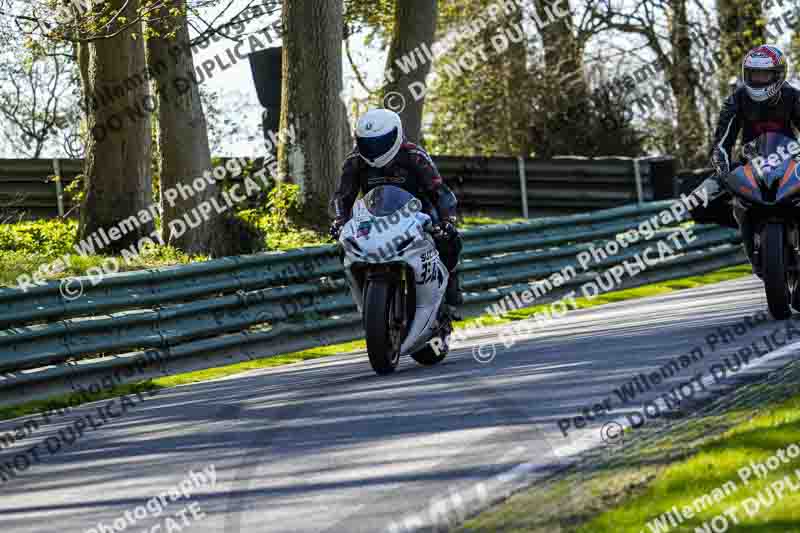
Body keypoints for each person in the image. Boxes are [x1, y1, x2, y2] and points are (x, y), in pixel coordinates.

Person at [329, 108, 463, 308]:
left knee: (449, 239)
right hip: (375, 219)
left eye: (380, 142)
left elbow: (439, 191)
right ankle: (363, 291)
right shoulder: (355, 160)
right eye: (368, 143)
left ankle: (451, 283)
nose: (374, 149)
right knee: (345, 245)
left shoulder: (414, 155)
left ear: (397, 134)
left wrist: (447, 221)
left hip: (418, 215)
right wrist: (340, 221)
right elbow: (343, 196)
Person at [695, 44, 800, 269]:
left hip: (790, 159)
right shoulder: (736, 100)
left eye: (765, 74)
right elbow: (721, 143)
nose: (759, 79)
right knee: (710, 199)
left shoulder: (794, 97)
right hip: (751, 162)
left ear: (778, 74)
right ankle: (750, 239)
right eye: (754, 74)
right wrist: (723, 171)